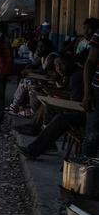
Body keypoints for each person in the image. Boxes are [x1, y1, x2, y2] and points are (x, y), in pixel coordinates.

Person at [19, 53, 85, 158]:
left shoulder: (76, 76)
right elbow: (68, 92)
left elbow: (74, 99)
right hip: (79, 109)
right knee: (48, 104)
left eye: (60, 65)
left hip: (82, 113)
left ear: (68, 64)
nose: (58, 69)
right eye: (56, 66)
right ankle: (37, 133)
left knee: (56, 114)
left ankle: (37, 146)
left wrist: (52, 92)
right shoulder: (72, 75)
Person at [83, 29, 99, 158]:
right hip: (97, 91)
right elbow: (90, 62)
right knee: (92, 137)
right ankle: (86, 173)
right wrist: (87, 93)